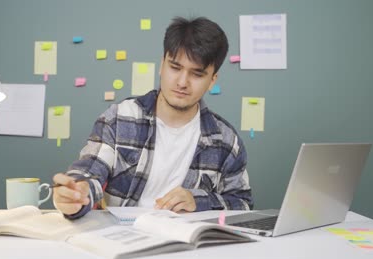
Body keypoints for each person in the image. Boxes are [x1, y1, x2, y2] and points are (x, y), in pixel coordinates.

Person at [53, 16, 253, 219]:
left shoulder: (227, 142)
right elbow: (90, 171)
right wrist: (77, 194)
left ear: (212, 80)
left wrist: (199, 201)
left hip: (188, 246)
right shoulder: (119, 119)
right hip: (121, 239)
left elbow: (243, 204)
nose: (182, 82)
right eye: (175, 67)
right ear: (162, 65)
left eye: (197, 74)